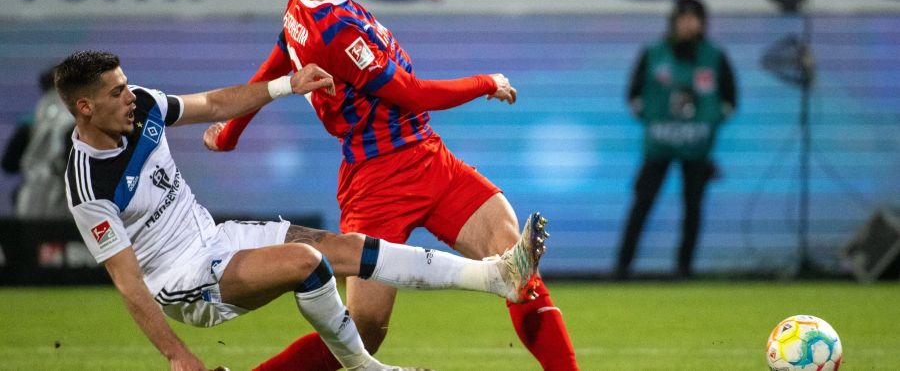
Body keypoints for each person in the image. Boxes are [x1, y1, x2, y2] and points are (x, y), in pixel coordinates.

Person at [204, 0, 578, 369]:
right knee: (362, 334)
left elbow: (275, 62)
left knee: (516, 261)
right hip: (377, 182)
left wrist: (230, 133)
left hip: (429, 158)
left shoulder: (300, 10)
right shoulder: (334, 30)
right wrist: (486, 82)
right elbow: (413, 94)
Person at [56, 50, 547, 371]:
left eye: (125, 85)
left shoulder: (143, 106)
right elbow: (128, 282)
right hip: (182, 280)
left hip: (217, 238)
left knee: (348, 249)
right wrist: (178, 355)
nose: (129, 96)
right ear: (84, 107)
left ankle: (497, 277)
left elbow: (211, 103)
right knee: (309, 263)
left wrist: (286, 84)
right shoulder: (87, 185)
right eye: (115, 91)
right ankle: (363, 368)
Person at [614, 0, 738, 280]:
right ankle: (621, 269)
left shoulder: (714, 57)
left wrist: (708, 123)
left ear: (703, 23)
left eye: (694, 19)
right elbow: (634, 95)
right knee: (642, 202)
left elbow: (730, 100)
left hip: (696, 150)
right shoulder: (654, 53)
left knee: (692, 208)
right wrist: (653, 118)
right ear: (674, 22)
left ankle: (684, 269)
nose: (688, 25)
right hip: (658, 146)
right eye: (683, 18)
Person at [2, 68, 73, 218]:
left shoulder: (31, 121)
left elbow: (9, 164)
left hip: (30, 203)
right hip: (66, 206)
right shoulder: (79, 120)